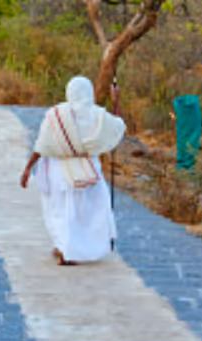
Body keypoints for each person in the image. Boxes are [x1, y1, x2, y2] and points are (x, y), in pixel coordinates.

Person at [19, 76, 126, 265]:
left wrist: (29, 167)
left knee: (61, 210)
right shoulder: (97, 115)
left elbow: (42, 144)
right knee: (88, 213)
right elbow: (118, 127)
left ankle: (64, 248)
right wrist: (116, 99)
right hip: (88, 169)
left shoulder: (56, 114)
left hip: (59, 171)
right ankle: (72, 249)